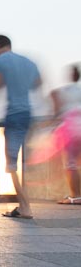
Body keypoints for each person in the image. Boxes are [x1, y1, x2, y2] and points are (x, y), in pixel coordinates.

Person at [0, 34, 42, 219]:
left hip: (14, 114)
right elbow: (38, 84)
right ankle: (23, 204)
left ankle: (25, 207)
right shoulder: (28, 62)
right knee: (21, 163)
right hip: (28, 114)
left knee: (12, 163)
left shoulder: (0, 62)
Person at [51, 65, 81, 204]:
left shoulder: (64, 91)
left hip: (70, 131)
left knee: (71, 164)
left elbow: (56, 104)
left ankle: (75, 196)